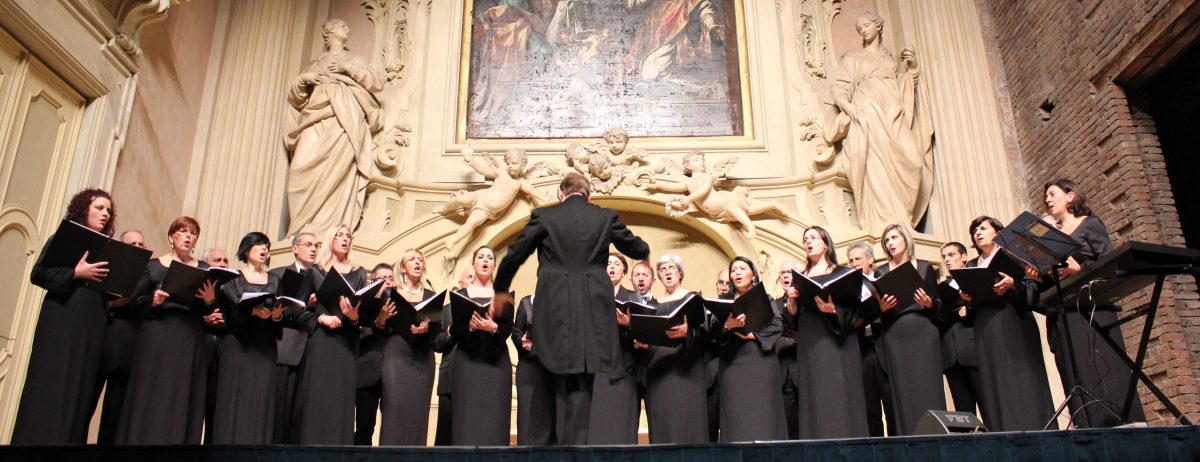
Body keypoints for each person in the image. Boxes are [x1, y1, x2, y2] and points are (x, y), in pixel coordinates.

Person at [493, 172, 650, 444]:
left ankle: (541, 448)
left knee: (546, 374)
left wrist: (500, 290)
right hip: (591, 309)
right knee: (582, 378)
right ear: (589, 195)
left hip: (553, 306)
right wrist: (644, 253)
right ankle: (575, 449)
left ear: (560, 193)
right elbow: (636, 247)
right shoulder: (605, 217)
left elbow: (515, 255)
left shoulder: (544, 217)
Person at [12, 189, 116, 444]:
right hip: (63, 317)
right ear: (83, 208)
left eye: (108, 210)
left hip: (92, 323)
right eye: (99, 208)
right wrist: (75, 273)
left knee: (80, 386)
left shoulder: (109, 249)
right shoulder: (66, 236)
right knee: (52, 379)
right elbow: (39, 274)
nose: (105, 214)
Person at [1043, 179, 1144, 426]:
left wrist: (1079, 269)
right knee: (1078, 369)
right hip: (1066, 310)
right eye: (1046, 196)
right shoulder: (1053, 238)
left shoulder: (1089, 224)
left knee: (1104, 364)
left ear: (1070, 196)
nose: (1047, 199)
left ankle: (1121, 422)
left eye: (1052, 194)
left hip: (1093, 307)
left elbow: (1109, 264)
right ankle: (1088, 425)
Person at [828, 12, 934, 233]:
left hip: (892, 110)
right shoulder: (853, 58)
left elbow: (903, 85)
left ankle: (904, 219)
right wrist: (847, 106)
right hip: (867, 112)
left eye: (867, 25)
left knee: (914, 162)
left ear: (878, 27)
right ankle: (887, 224)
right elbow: (840, 87)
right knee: (875, 166)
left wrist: (912, 68)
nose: (863, 30)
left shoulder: (890, 60)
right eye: (860, 28)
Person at [119, 217, 215, 444]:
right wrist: (152, 301)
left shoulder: (204, 269)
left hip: (189, 336)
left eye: (193, 233)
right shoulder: (153, 266)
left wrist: (210, 300)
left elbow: (208, 309)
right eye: (183, 231)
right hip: (157, 335)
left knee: (182, 393)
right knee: (152, 390)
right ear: (171, 236)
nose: (188, 236)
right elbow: (134, 303)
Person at [284, 18, 383, 238]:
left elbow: (376, 83)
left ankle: (326, 231)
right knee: (299, 168)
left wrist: (346, 67)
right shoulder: (315, 63)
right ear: (329, 32)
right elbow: (297, 99)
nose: (348, 28)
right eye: (342, 26)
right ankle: (302, 228)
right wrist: (304, 78)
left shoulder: (353, 59)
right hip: (314, 120)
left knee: (338, 174)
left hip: (344, 122)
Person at [967, 216, 1056, 431]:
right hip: (985, 327)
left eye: (983, 228)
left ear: (998, 232)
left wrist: (1013, 285)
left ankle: (1035, 429)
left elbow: (1033, 293)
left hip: (1013, 321)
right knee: (994, 382)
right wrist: (965, 297)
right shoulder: (971, 265)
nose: (978, 233)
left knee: (1022, 379)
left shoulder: (1014, 256)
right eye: (975, 230)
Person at [784, 227, 868, 438]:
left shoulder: (843, 273)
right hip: (810, 341)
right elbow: (792, 320)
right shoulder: (800, 277)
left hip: (837, 341)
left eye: (813, 238)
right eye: (805, 239)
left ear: (826, 243)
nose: (808, 242)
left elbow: (855, 310)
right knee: (815, 393)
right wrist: (791, 303)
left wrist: (833, 310)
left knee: (838, 393)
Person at [293, 224, 368, 444]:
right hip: (322, 341)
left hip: (347, 342)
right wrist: (319, 318)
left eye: (348, 236)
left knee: (341, 396)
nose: (345, 239)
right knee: (318, 395)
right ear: (330, 239)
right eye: (339, 235)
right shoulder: (315, 271)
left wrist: (354, 317)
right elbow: (296, 308)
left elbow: (364, 315)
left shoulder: (359, 273)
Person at [212, 232, 285, 443]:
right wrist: (252, 312)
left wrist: (276, 316)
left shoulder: (275, 280)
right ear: (246, 249)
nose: (264, 249)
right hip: (238, 346)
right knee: (234, 399)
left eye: (266, 246)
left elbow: (280, 322)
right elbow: (229, 317)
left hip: (265, 347)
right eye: (259, 244)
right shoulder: (233, 279)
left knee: (260, 400)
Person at [872, 224, 943, 435]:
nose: (890, 243)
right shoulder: (881, 271)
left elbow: (939, 304)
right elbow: (878, 314)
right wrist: (882, 308)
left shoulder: (924, 267)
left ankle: (936, 434)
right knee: (903, 389)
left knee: (928, 385)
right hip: (896, 334)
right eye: (887, 240)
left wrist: (929, 303)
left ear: (906, 239)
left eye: (894, 238)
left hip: (924, 332)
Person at [639, 254, 709, 444]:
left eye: (671, 268)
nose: (667, 272)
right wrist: (644, 343)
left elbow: (705, 332)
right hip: (659, 370)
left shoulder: (693, 299)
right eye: (662, 270)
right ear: (659, 277)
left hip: (687, 370)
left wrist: (688, 332)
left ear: (680, 273)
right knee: (663, 424)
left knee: (688, 423)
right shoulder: (651, 305)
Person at [718, 256, 787, 441]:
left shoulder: (765, 298)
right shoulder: (723, 301)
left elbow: (777, 325)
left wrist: (752, 335)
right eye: (733, 270)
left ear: (753, 274)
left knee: (764, 414)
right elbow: (712, 334)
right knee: (736, 416)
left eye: (742, 268)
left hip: (761, 361)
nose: (737, 273)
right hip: (732, 364)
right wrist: (727, 326)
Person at [376, 250, 441, 445]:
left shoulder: (431, 296)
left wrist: (427, 328)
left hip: (422, 358)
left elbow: (437, 334)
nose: (417, 262)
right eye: (412, 259)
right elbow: (377, 329)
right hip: (395, 356)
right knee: (394, 410)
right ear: (403, 268)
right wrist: (382, 318)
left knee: (418, 413)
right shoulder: (390, 293)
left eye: (420, 260)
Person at [451, 246, 514, 446]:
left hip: (496, 362)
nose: (485, 260)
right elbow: (455, 328)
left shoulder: (504, 295)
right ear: (474, 263)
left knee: (494, 419)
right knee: (466, 418)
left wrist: (493, 327)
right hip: (467, 361)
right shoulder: (461, 294)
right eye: (480, 257)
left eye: (489, 257)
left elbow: (508, 327)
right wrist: (470, 327)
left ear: (494, 265)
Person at [89, 229, 144, 444]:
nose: (137, 247)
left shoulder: (148, 272)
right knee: (86, 405)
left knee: (116, 417)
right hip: (102, 345)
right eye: (132, 244)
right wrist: (112, 304)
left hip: (128, 351)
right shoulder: (106, 267)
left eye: (140, 244)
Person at [268, 232, 320, 443]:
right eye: (308, 244)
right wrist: (305, 304)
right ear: (295, 249)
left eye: (316, 245)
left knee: (305, 412)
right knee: (281, 409)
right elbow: (274, 311)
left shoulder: (322, 276)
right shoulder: (278, 274)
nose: (313, 249)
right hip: (287, 345)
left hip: (314, 348)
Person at [587, 253, 642, 444]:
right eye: (607, 263)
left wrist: (629, 324)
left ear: (624, 271)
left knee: (621, 427)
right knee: (597, 426)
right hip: (595, 368)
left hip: (623, 368)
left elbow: (643, 334)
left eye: (616, 264)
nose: (611, 267)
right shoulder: (591, 296)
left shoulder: (633, 297)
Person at [847, 241, 894, 436]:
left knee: (892, 406)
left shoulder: (884, 279)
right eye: (851, 261)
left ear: (870, 259)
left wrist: (880, 310)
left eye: (858, 259)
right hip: (863, 350)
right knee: (870, 409)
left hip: (886, 347)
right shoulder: (849, 288)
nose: (854, 264)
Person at [938, 242, 983, 417]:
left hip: (974, 349)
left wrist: (969, 307)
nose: (947, 260)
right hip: (952, 354)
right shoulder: (942, 287)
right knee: (964, 413)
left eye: (952, 255)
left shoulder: (975, 278)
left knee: (987, 404)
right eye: (944, 257)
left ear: (964, 257)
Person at [353, 263, 393, 445]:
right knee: (365, 426)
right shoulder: (363, 303)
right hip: (367, 371)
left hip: (392, 372)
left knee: (392, 425)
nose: (388, 282)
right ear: (372, 281)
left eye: (391, 278)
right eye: (382, 279)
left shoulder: (398, 305)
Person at [432, 269, 473, 446]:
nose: (473, 280)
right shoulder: (446, 310)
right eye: (469, 277)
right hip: (449, 380)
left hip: (475, 377)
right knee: (445, 436)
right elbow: (436, 344)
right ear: (460, 283)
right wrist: (448, 333)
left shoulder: (489, 309)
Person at [513, 291, 556, 446]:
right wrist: (522, 341)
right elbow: (516, 332)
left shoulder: (562, 300)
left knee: (551, 414)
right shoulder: (526, 303)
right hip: (530, 367)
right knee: (527, 414)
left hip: (554, 368)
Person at [199, 247, 229, 443]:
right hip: (201, 347)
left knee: (216, 407)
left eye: (225, 260)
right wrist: (205, 317)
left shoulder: (232, 288)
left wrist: (227, 320)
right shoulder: (197, 283)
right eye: (217, 260)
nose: (223, 264)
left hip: (223, 351)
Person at [773, 259, 801, 439]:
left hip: (805, 366)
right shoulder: (773, 304)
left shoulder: (807, 300)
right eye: (782, 273)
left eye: (789, 272)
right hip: (784, 370)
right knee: (788, 426)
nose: (785, 276)